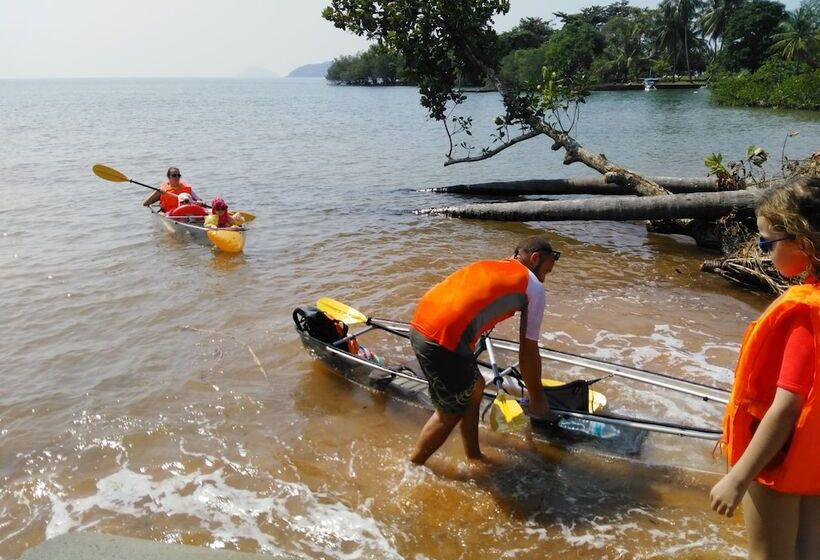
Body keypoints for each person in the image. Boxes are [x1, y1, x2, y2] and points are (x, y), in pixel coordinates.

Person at [710, 176, 820, 559]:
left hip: (776, 458)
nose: (763, 254)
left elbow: (787, 406)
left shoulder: (805, 312)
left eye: (765, 242)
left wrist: (739, 477)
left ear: (802, 242)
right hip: (813, 456)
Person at [408, 236, 559, 465]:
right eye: (546, 271)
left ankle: (474, 455)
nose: (544, 279)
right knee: (450, 411)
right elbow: (528, 350)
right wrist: (537, 398)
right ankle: (413, 467)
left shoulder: (495, 265)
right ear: (535, 258)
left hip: (420, 324)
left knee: (476, 385)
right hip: (443, 339)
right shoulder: (534, 287)